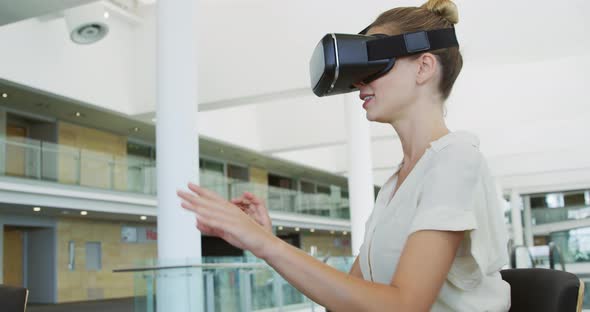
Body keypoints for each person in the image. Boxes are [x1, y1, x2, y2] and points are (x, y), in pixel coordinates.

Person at [177, 0, 511, 310]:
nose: (360, 81)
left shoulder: (455, 160)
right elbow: (349, 296)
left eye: (376, 64)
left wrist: (262, 243)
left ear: (424, 67)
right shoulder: (398, 182)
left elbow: (404, 306)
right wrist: (263, 239)